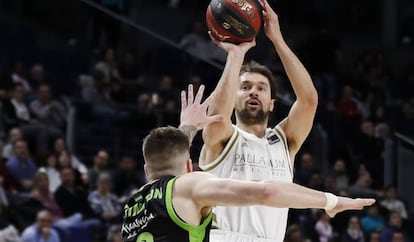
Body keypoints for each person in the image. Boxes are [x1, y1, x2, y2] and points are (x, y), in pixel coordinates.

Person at [121, 84, 375, 242]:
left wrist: (186, 128)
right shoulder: (189, 186)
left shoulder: (132, 206)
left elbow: (170, 158)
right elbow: (268, 191)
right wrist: (331, 201)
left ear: (146, 170)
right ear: (190, 168)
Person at [199, 0, 318, 241]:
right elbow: (217, 116)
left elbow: (309, 100)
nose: (254, 91)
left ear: (272, 103)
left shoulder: (285, 142)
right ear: (233, 98)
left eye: (261, 88)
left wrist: (277, 39)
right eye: (245, 87)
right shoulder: (223, 137)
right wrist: (235, 54)